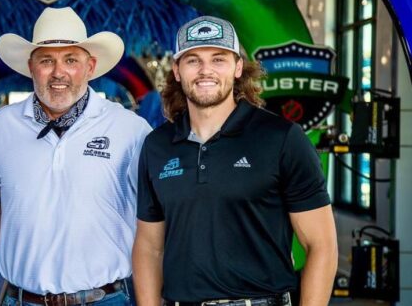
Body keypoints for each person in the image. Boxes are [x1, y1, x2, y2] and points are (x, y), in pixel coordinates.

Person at [133, 16, 338, 306]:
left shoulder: (281, 138)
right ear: (177, 70)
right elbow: (149, 247)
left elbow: (321, 245)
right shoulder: (157, 146)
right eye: (193, 60)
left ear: (238, 67)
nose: (206, 70)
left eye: (218, 59)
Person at [0, 7, 152, 306]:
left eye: (71, 60)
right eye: (47, 60)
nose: (59, 72)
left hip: (104, 300)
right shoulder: (0, 127)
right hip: (22, 300)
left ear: (90, 66)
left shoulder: (130, 129)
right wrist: (13, 232)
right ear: (31, 67)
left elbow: (155, 217)